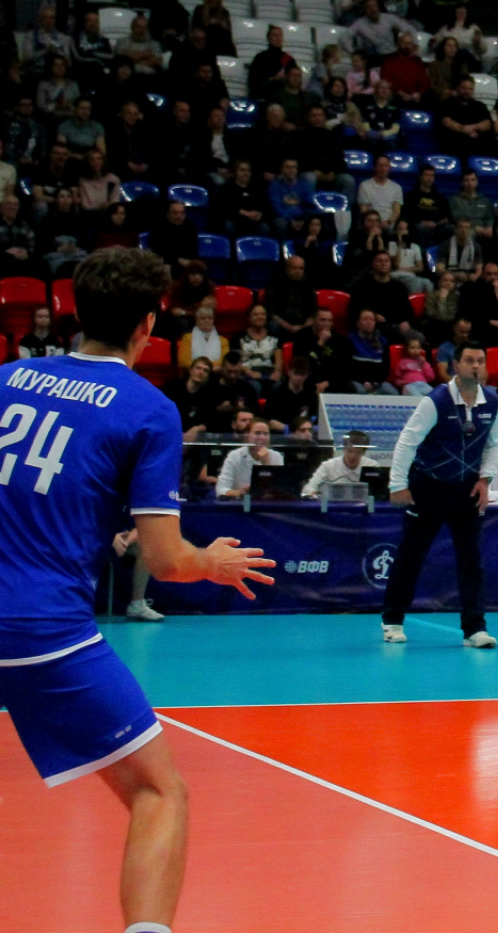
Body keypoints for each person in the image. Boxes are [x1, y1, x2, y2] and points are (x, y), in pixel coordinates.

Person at [0, 248, 274, 933]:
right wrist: (212, 562)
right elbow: (166, 560)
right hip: (40, 630)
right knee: (159, 791)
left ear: (73, 310)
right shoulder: (148, 409)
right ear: (149, 324)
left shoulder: (7, 378)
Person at [380, 341, 498, 646]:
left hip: (466, 489)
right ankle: (392, 620)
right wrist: (398, 484)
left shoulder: (493, 402)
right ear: (456, 365)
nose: (476, 366)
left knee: (471, 560)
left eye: (480, 360)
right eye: (469, 360)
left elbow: (493, 444)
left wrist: (485, 479)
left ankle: (474, 629)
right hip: (428, 486)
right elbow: (407, 441)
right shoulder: (435, 401)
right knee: (411, 555)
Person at [216, 419, 284, 498]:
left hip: (268, 502)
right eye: (257, 433)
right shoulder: (235, 455)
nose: (262, 437)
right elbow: (221, 489)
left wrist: (266, 464)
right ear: (247, 436)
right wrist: (239, 493)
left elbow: (280, 490)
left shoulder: (276, 456)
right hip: (242, 501)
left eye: (266, 434)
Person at [302, 429, 372, 498]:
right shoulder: (328, 466)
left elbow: (376, 493)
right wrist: (315, 494)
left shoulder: (371, 466)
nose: (352, 456)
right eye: (350, 451)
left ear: (364, 453)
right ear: (344, 449)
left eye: (358, 452)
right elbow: (308, 488)